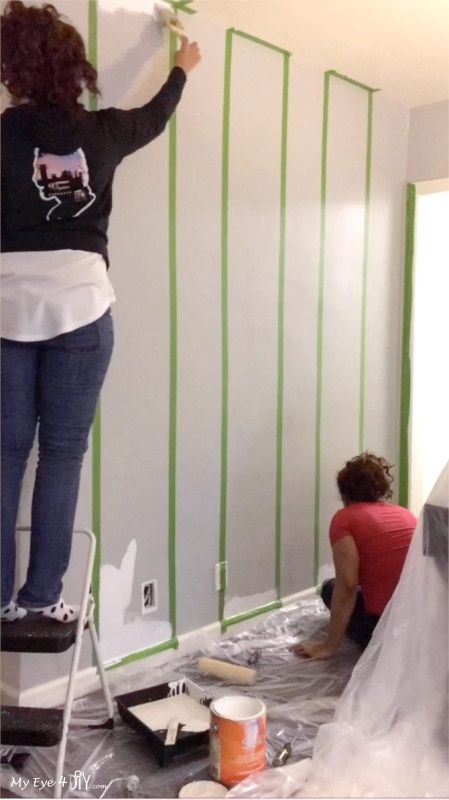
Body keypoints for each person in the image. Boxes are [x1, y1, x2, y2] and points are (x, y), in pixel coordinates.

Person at [0, 0, 201, 622]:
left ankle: (0, 601)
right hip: (83, 309)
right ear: (74, 70)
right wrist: (181, 67)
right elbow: (155, 116)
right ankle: (41, 597)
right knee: (61, 455)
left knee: (6, 456)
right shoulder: (102, 131)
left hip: (6, 308)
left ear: (14, 74)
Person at [295, 453, 417, 659]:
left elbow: (349, 584)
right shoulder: (405, 514)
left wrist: (328, 647)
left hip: (384, 629)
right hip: (418, 625)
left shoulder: (344, 519)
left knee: (330, 588)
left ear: (344, 493)